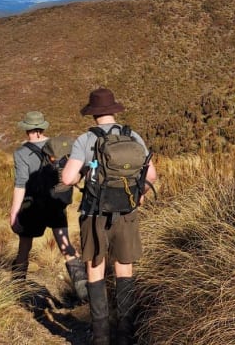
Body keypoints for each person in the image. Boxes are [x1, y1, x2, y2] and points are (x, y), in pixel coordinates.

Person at [61, 88, 158, 345]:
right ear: (114, 110)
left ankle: (101, 336)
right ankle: (126, 333)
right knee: (124, 267)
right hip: (127, 211)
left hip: (95, 213)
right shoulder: (132, 135)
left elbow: (68, 178)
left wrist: (82, 173)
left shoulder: (85, 140)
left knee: (95, 268)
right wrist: (138, 194)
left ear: (93, 114)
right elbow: (151, 176)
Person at [9, 111, 88, 301]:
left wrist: (14, 213)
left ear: (27, 129)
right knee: (66, 246)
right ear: (42, 128)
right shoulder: (59, 147)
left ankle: (17, 294)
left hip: (32, 207)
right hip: (55, 204)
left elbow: (21, 184)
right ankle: (85, 295)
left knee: (24, 248)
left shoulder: (21, 153)